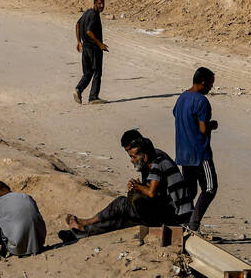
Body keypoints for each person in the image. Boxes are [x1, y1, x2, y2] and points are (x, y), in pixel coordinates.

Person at [63, 136, 192, 239]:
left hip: (174, 215)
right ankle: (83, 231)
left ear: (144, 154)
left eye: (133, 156)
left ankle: (87, 223)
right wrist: (139, 187)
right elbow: (155, 189)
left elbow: (152, 193)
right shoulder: (155, 160)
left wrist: (137, 186)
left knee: (121, 204)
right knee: (124, 220)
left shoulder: (157, 163)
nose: (131, 160)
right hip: (172, 213)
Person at [173, 67, 219, 231]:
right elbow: (203, 129)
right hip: (199, 153)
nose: (211, 88)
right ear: (203, 82)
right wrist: (211, 125)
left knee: (190, 191)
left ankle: (183, 221)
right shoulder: (201, 101)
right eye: (211, 84)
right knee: (210, 188)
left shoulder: (182, 98)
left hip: (183, 153)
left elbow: (177, 116)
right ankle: (193, 223)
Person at [0, 180, 46, 265]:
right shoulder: (27, 197)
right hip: (38, 245)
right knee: (11, 222)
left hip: (18, 248)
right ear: (8, 188)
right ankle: (3, 252)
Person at [74, 0, 108, 104]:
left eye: (103, 3)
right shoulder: (94, 15)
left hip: (86, 48)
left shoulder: (87, 12)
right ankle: (93, 97)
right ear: (94, 3)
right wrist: (100, 44)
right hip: (93, 48)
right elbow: (89, 31)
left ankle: (78, 89)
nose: (101, 6)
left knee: (88, 72)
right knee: (97, 71)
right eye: (99, 4)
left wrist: (79, 41)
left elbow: (78, 24)